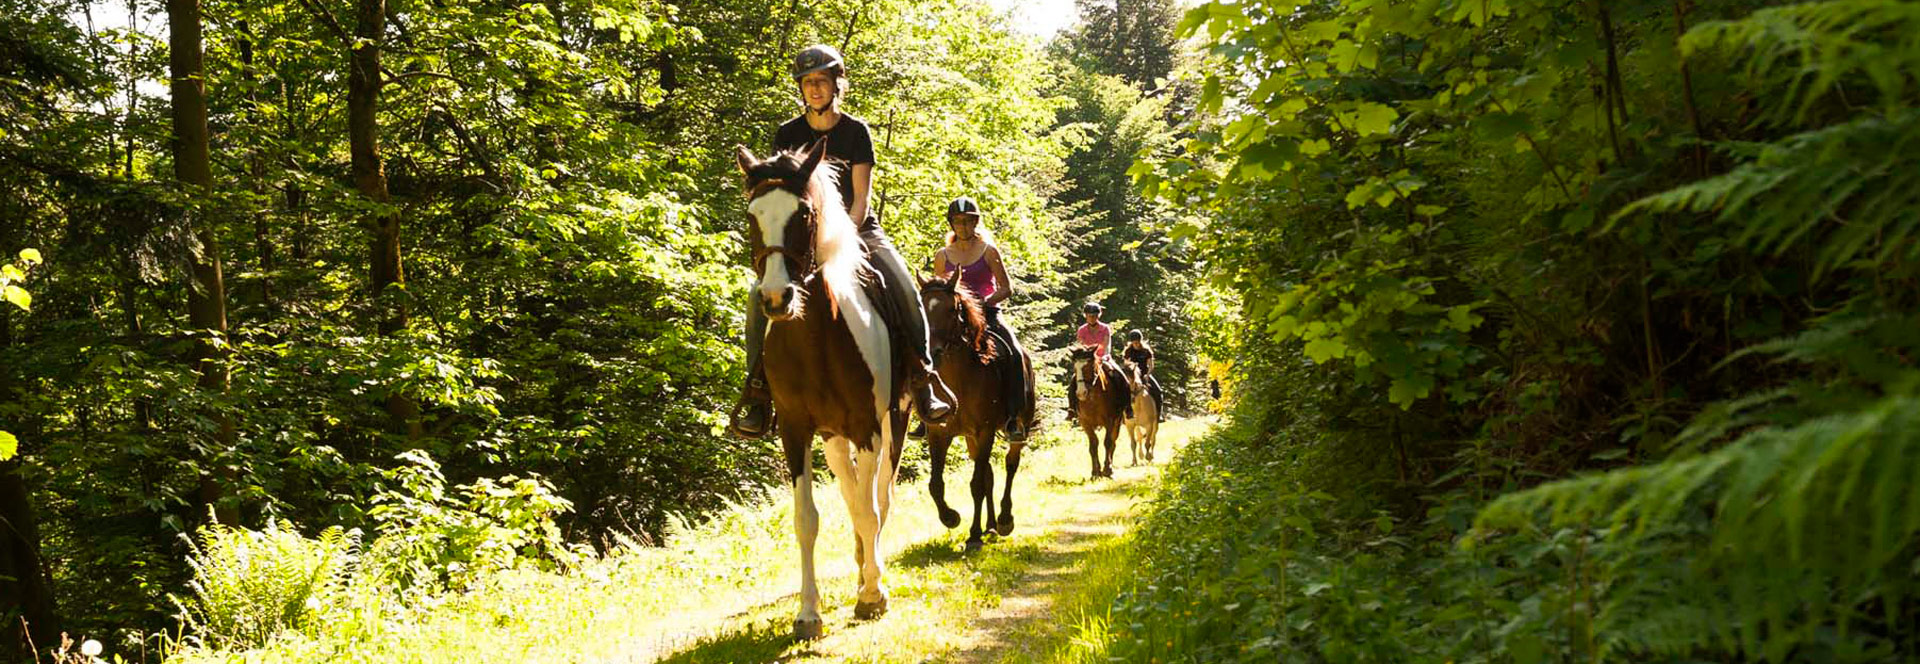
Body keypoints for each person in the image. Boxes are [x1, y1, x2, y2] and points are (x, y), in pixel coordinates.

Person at [729, 44, 956, 439]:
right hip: (802, 239)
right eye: (807, 82)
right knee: (755, 296)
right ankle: (757, 389)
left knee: (904, 286)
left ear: (837, 84)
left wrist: (840, 237)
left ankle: (923, 380)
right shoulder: (788, 133)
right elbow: (781, 195)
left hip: (858, 231)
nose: (814, 89)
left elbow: (861, 196)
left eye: (821, 81)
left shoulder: (855, 131)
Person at [932, 196, 1029, 440]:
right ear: (951, 224)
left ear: (975, 222)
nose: (963, 226)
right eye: (958, 221)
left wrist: (982, 304)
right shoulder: (942, 255)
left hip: (988, 315)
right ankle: (926, 414)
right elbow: (939, 290)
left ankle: (1013, 417)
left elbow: (1006, 288)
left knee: (1015, 353)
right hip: (954, 319)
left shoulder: (988, 251)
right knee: (927, 351)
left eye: (968, 221)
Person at [1068, 302, 1132, 419]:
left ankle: (1127, 407)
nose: (1092, 318)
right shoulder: (1081, 330)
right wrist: (1086, 357)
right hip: (1088, 360)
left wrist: (1101, 357)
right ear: (1085, 316)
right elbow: (1081, 346)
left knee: (1120, 377)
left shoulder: (1105, 328)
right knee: (1074, 381)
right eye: (1090, 315)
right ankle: (1072, 408)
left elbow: (1106, 345)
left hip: (1104, 358)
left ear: (1099, 315)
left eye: (1094, 315)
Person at [1122, 329, 1164, 421]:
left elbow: (1151, 364)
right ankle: (1124, 413)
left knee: (1158, 391)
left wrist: (1148, 374)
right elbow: (1126, 364)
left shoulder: (1146, 351)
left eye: (1137, 342)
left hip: (1144, 374)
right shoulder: (1128, 351)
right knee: (1122, 391)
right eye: (1134, 342)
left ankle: (1159, 413)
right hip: (1133, 376)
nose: (1136, 344)